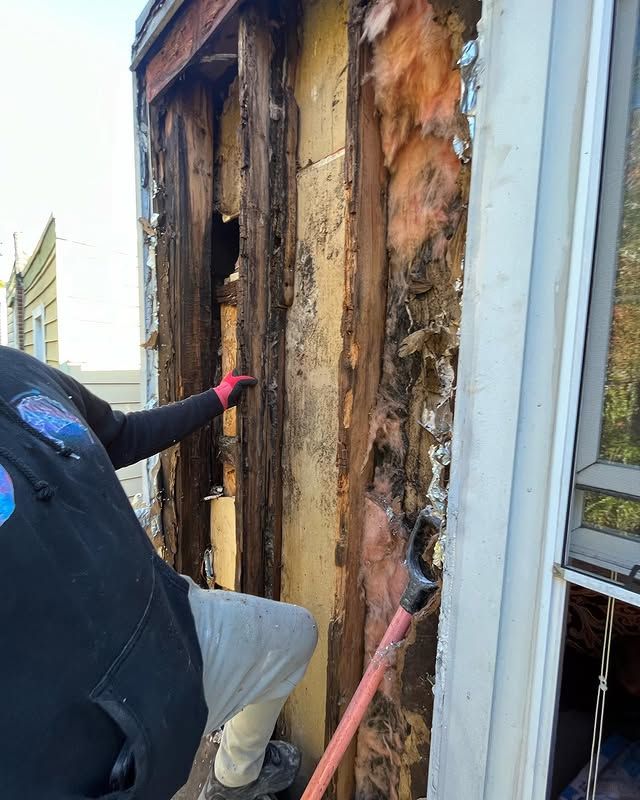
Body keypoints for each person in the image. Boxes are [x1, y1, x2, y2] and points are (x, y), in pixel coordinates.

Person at [0, 345, 318, 800]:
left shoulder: (15, 371)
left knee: (293, 635)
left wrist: (215, 399)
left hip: (170, 634)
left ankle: (235, 779)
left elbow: (122, 437)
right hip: (78, 759)